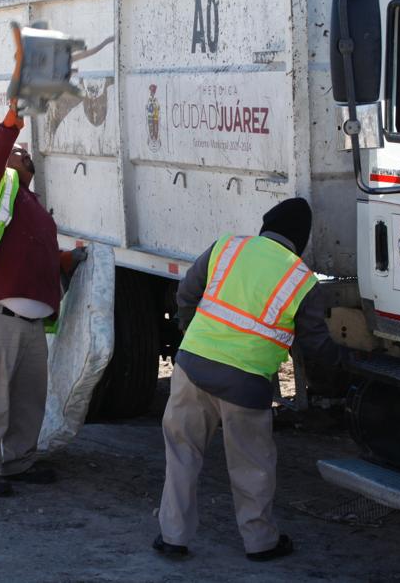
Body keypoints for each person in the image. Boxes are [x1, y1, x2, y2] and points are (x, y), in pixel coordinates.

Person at [154, 198, 319, 561]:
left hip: (192, 368)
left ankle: (173, 538)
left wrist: (191, 334)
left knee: (182, 453)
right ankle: (260, 542)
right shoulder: (301, 279)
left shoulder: (228, 246)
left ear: (265, 225)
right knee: (252, 466)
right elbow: (315, 344)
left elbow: (186, 294)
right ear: (301, 239)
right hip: (246, 386)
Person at [0, 102, 83, 497]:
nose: (23, 154)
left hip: (28, 323)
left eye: (27, 154)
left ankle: (18, 462)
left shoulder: (31, 204)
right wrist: (11, 124)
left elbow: (30, 252)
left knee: (28, 401)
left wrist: (64, 261)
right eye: (17, 151)